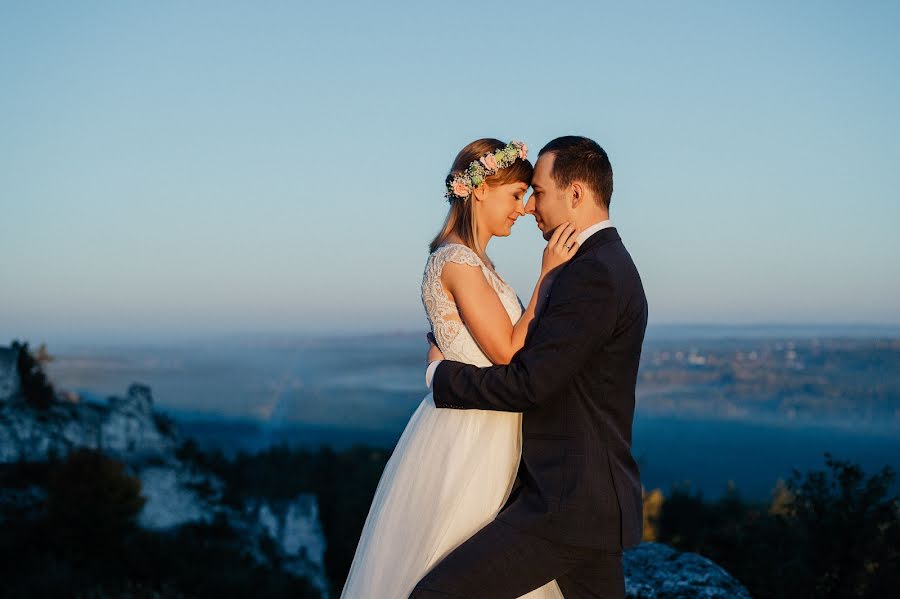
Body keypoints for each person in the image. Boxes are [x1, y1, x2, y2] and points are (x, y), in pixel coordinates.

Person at [340, 138, 579, 599]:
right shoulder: (457, 261)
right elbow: (508, 351)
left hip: (482, 418)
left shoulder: (473, 261)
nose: (524, 209)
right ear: (481, 190)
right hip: (471, 434)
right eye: (515, 195)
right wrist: (548, 276)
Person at [412, 136, 648, 599]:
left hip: (567, 504)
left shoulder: (592, 272)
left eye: (537, 191)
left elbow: (529, 383)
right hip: (584, 500)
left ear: (575, 194)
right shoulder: (600, 264)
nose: (530, 207)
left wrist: (440, 376)